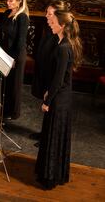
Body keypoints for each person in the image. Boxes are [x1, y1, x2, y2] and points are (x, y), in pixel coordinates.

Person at [35, 10, 82, 190]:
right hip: (61, 96)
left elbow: (59, 79)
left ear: (62, 25)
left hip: (59, 100)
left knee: (53, 137)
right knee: (54, 136)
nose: (50, 24)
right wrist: (49, 91)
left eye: (53, 21)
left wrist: (47, 101)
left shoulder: (63, 48)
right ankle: (53, 174)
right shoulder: (64, 43)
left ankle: (49, 178)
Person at [30, 0, 70, 142]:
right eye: (46, 13)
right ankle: (44, 133)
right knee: (47, 106)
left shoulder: (58, 34)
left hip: (52, 76)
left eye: (50, 14)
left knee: (49, 105)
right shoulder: (49, 27)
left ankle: (46, 137)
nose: (47, 16)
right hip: (44, 73)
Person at [0, 0, 29, 120]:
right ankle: (5, 108)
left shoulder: (22, 17)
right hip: (6, 53)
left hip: (16, 55)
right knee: (6, 82)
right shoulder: (7, 13)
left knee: (14, 85)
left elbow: (21, 41)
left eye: (11, 0)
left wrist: (14, 59)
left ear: (19, 2)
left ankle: (13, 112)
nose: (8, 3)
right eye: (7, 0)